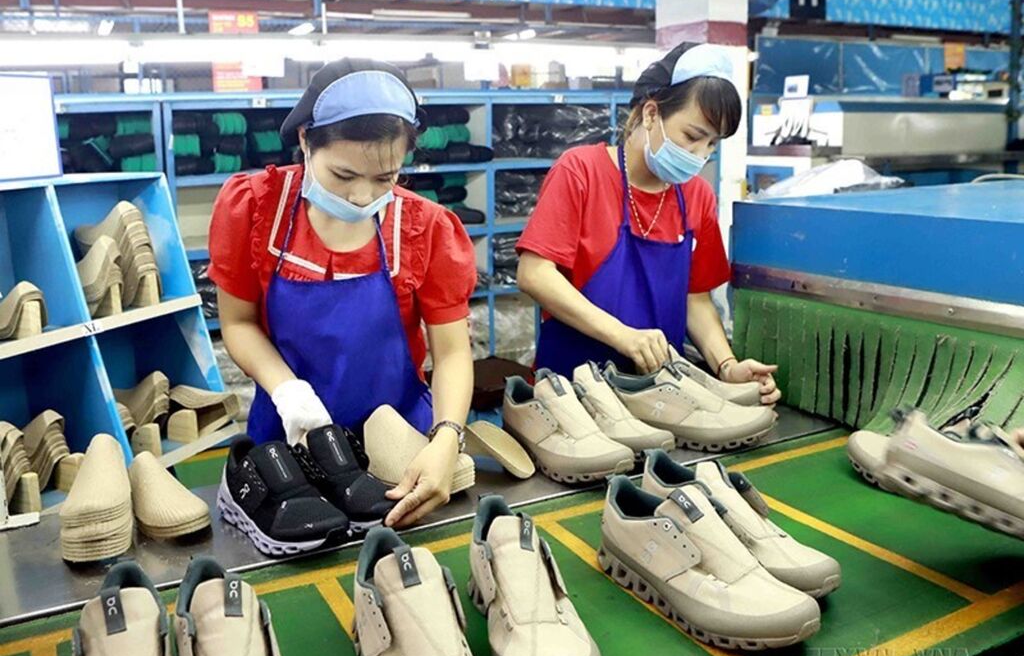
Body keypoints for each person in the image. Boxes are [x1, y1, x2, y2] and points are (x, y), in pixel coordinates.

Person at [208, 59, 476, 527]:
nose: (362, 196)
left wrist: (447, 438)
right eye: (344, 175)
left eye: (385, 178)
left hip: (395, 442)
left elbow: (452, 352)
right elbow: (239, 323)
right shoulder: (256, 208)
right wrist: (287, 391)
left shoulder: (424, 228)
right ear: (306, 141)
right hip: (290, 442)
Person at [516, 43, 780, 404]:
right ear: (652, 113)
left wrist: (727, 366)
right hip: (572, 392)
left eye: (711, 145)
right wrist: (623, 336)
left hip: (660, 392)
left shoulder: (697, 196)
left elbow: (696, 299)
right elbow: (535, 274)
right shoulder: (581, 172)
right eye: (692, 136)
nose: (700, 155)